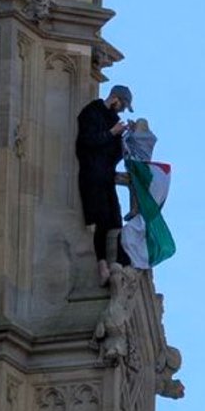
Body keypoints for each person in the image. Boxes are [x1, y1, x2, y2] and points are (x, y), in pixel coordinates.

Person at [76, 83, 133, 285]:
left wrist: (126, 139)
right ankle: (101, 265)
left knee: (115, 221)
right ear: (115, 98)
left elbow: (114, 154)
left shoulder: (113, 120)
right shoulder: (92, 112)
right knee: (100, 220)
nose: (121, 111)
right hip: (93, 175)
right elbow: (86, 142)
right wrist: (111, 133)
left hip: (106, 176)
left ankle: (115, 263)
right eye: (123, 105)